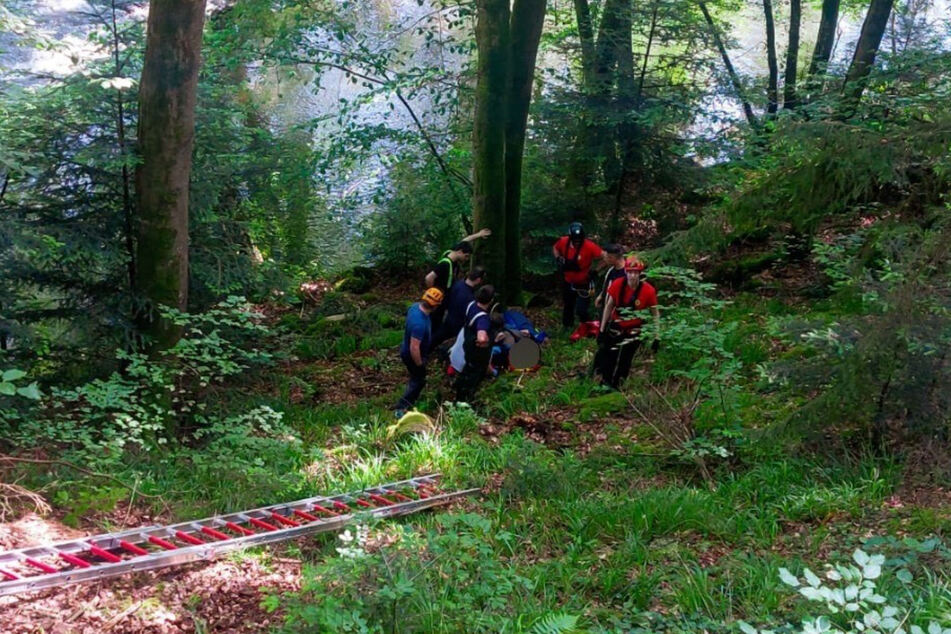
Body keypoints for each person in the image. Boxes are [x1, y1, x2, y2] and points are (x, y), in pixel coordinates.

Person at [596, 255, 660, 389]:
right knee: (609, 357)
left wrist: (657, 336)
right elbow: (609, 306)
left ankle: (617, 386)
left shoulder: (648, 291)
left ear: (639, 274)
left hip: (634, 330)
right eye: (630, 272)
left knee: (625, 360)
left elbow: (655, 314)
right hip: (616, 326)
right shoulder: (617, 285)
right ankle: (605, 383)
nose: (632, 276)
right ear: (626, 272)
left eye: (635, 272)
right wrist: (601, 330)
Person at [425, 228, 491, 331]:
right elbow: (429, 278)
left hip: (444, 297)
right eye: (466, 256)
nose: (466, 259)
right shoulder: (445, 264)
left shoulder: (451, 252)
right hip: (439, 298)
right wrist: (433, 293)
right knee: (435, 321)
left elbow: (465, 240)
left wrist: (479, 235)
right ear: (460, 252)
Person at [395, 287, 444, 416]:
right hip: (412, 355)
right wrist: (419, 364)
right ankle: (401, 407)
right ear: (435, 306)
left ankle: (408, 401)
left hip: (410, 350)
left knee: (417, 379)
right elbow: (414, 347)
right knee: (418, 380)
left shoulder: (415, 307)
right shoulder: (419, 324)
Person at [552, 222, 603, 330]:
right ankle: (567, 327)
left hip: (584, 282)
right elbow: (555, 248)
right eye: (575, 240)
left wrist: (595, 271)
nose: (577, 242)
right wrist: (558, 258)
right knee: (568, 305)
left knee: (582, 309)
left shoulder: (589, 246)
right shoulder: (563, 241)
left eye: (579, 240)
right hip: (568, 281)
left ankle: (587, 327)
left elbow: (605, 257)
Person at [452, 285, 496, 402]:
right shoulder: (483, 319)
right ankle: (463, 400)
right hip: (476, 352)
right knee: (473, 375)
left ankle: (458, 386)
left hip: (467, 343)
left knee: (467, 368)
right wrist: (487, 341)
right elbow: (481, 338)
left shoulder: (471, 305)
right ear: (491, 301)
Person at [431, 266, 486, 350]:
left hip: (449, 317)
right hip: (457, 324)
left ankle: (426, 349)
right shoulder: (470, 297)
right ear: (478, 280)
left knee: (437, 337)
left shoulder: (458, 284)